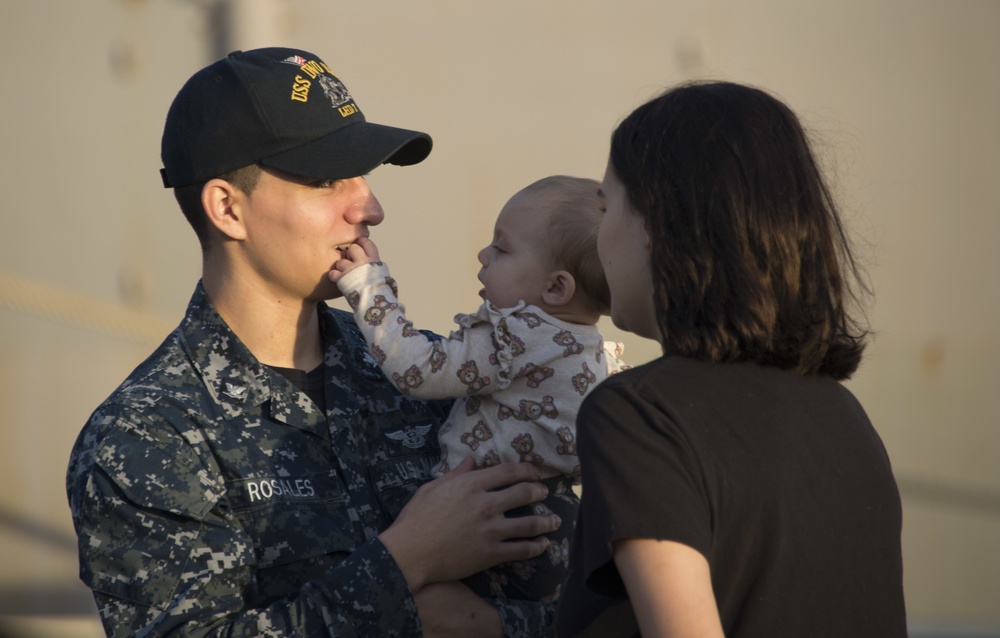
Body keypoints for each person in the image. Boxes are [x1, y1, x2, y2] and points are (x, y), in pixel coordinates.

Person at [66, 46, 562, 637]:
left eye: (363, 176)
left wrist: (484, 625)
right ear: (227, 208)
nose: (370, 208)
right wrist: (406, 561)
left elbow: (579, 598)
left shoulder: (428, 377)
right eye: (327, 179)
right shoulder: (149, 434)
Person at [555, 81, 907, 637]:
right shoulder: (845, 418)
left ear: (656, 222)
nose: (600, 236)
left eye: (606, 204)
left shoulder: (639, 414)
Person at [328, 175, 628, 603]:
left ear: (557, 287)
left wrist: (368, 285)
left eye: (502, 249)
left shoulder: (517, 338)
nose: (483, 254)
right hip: (555, 528)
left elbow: (417, 369)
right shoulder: (592, 353)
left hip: (492, 529)